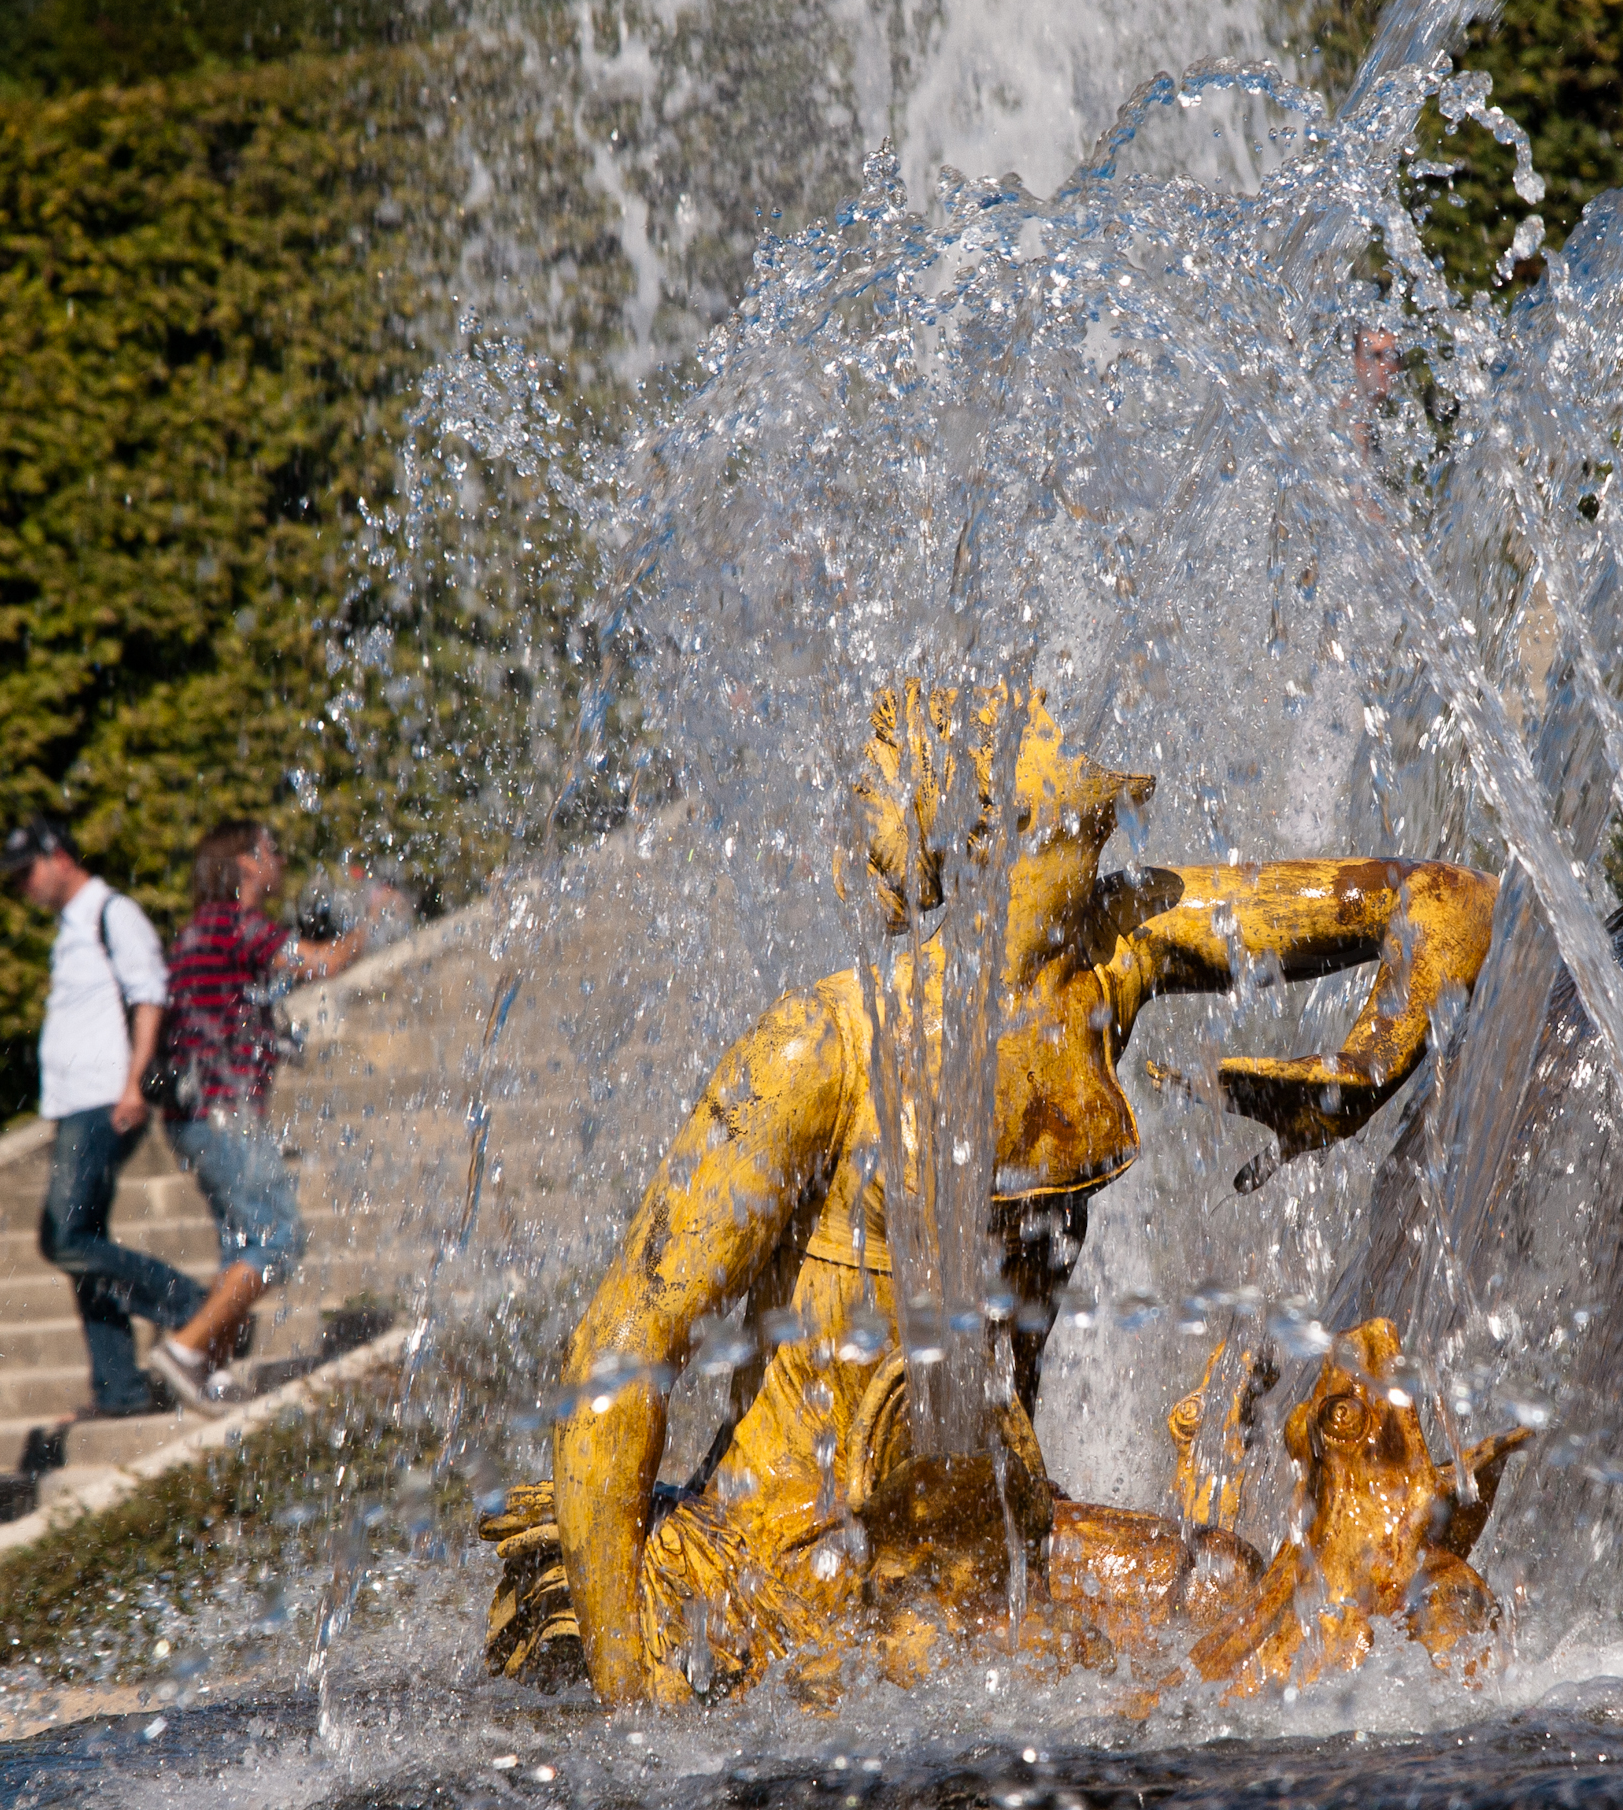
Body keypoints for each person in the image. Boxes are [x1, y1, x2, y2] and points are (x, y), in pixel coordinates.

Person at [484, 686, 1500, 1703]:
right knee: (1169, 1648)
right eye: (1019, 708)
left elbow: (1449, 900)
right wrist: (631, 1697)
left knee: (1243, 1587)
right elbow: (621, 1344)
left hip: (986, 1542)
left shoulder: (1117, 958)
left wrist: (1361, 1074)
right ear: (980, 806)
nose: (1059, 699)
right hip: (793, 1566)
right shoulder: (824, 1050)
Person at [146, 822, 381, 1414]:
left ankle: (210, 1367)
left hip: (194, 1114)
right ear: (247, 865)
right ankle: (184, 1349)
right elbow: (324, 963)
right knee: (278, 1239)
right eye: (272, 852)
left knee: (242, 1244)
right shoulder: (236, 923)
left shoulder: (201, 929)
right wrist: (375, 915)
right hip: (220, 1112)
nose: (280, 862)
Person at [0, 819, 204, 1419]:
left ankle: (188, 1304)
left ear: (57, 856)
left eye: (25, 873)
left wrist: (135, 1083)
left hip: (106, 1099)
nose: (22, 888)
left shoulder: (113, 913)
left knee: (64, 1239)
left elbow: (149, 996)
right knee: (79, 1241)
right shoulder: (72, 926)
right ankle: (120, 1390)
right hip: (76, 1103)